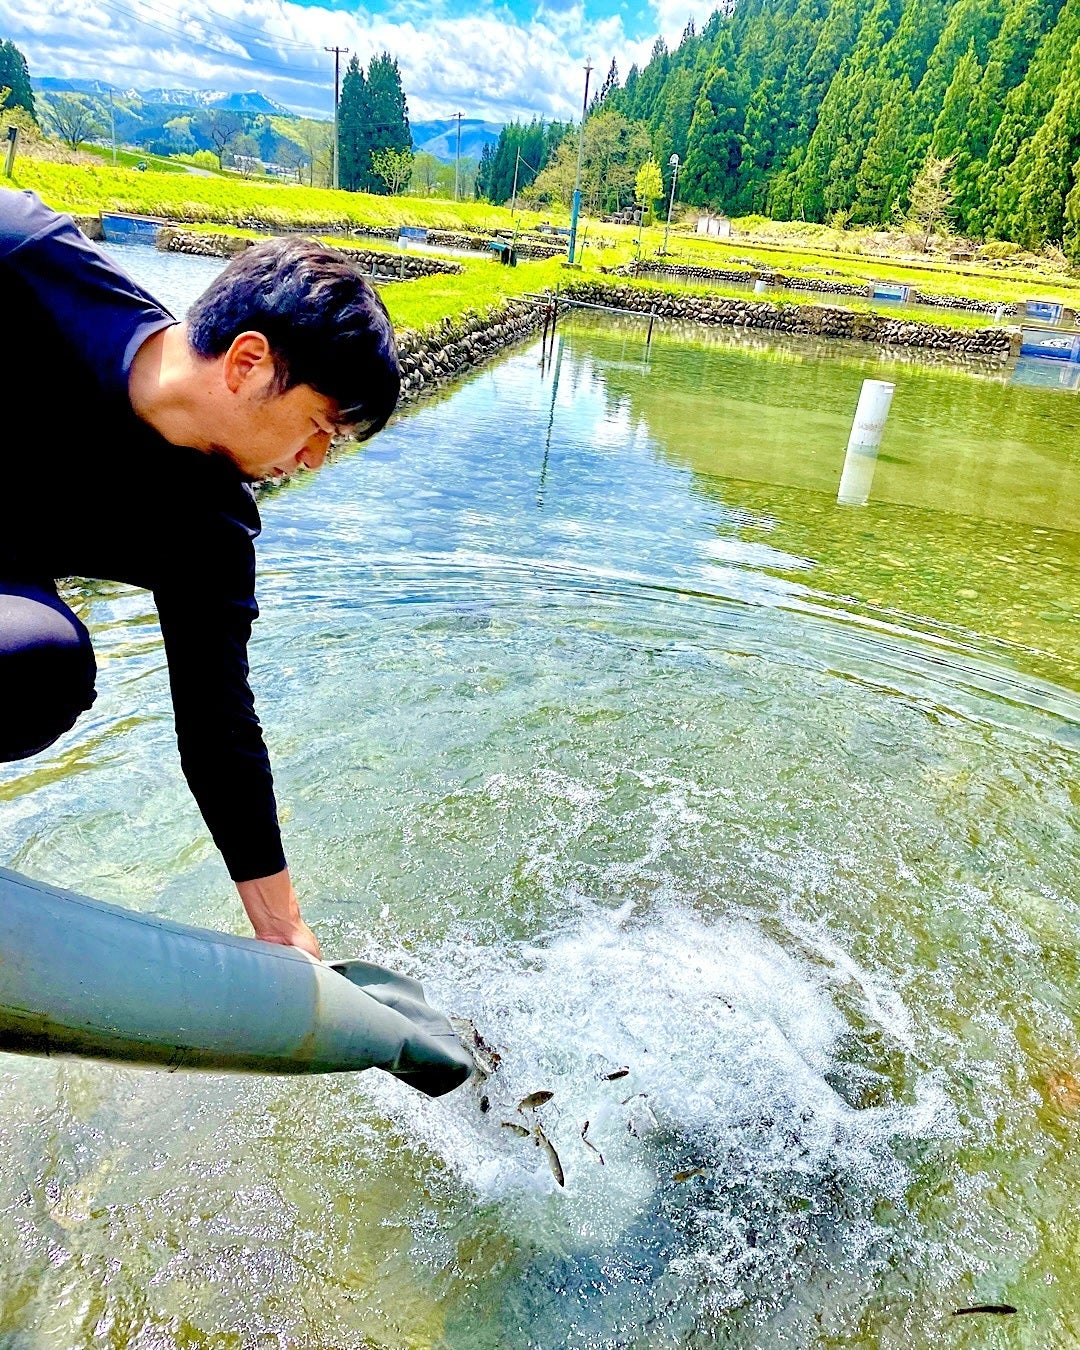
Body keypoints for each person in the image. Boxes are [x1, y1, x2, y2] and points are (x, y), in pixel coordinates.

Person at [0, 188, 401, 959]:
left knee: (40, 666)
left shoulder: (209, 526)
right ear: (249, 363)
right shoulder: (27, 256)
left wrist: (282, 929)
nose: (313, 459)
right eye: (319, 427)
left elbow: (220, 730)